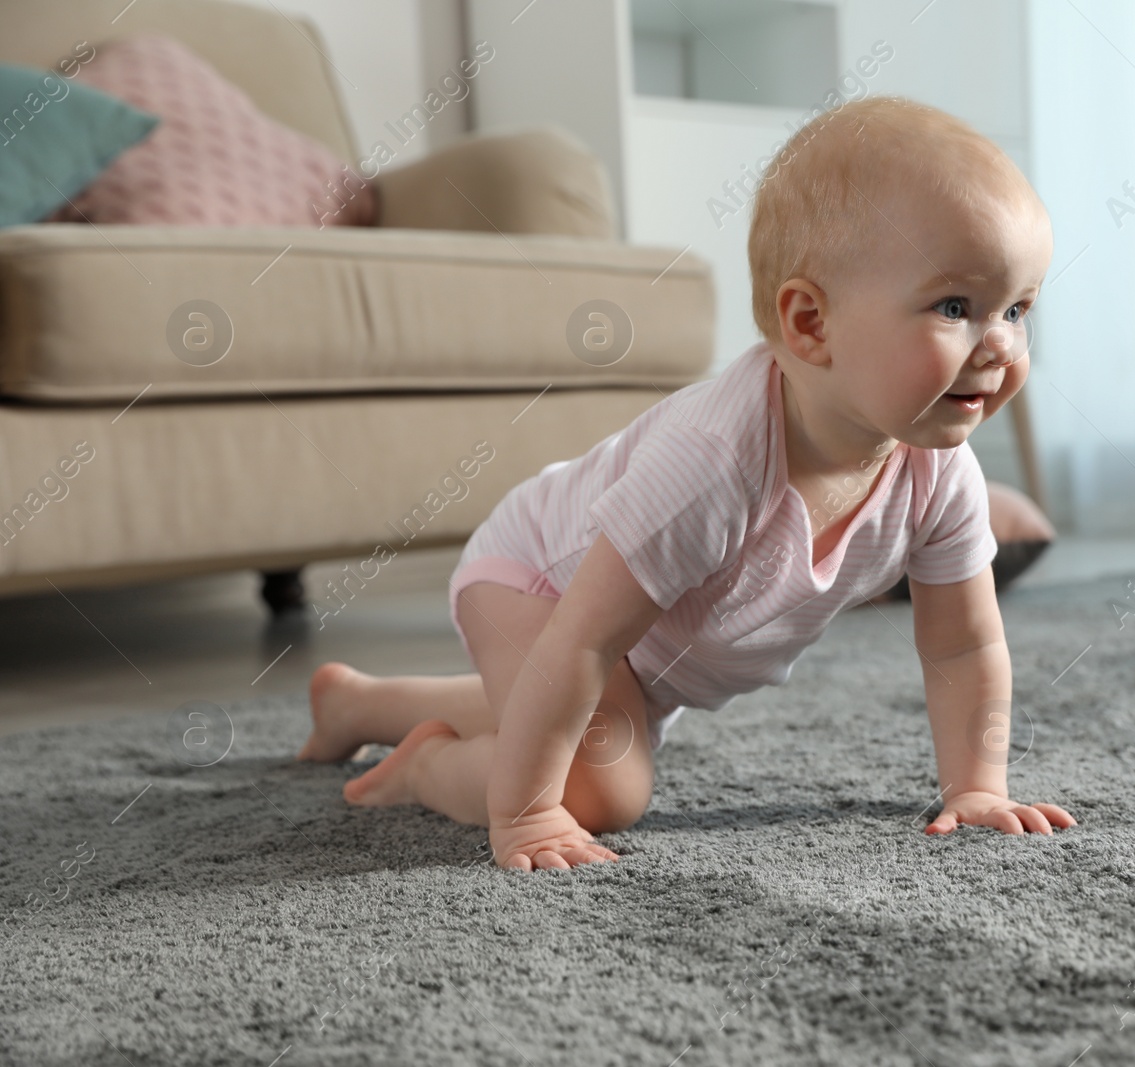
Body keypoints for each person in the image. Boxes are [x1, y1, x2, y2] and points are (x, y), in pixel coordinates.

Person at [297, 95, 1076, 871]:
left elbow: (964, 643)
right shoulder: (715, 463)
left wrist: (976, 784)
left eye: (1017, 308)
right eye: (955, 306)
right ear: (811, 324)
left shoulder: (942, 475)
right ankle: (430, 770)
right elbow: (583, 640)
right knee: (608, 786)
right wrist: (530, 814)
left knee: (594, 717)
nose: (1002, 344)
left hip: (638, 652)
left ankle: (360, 704)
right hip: (540, 581)